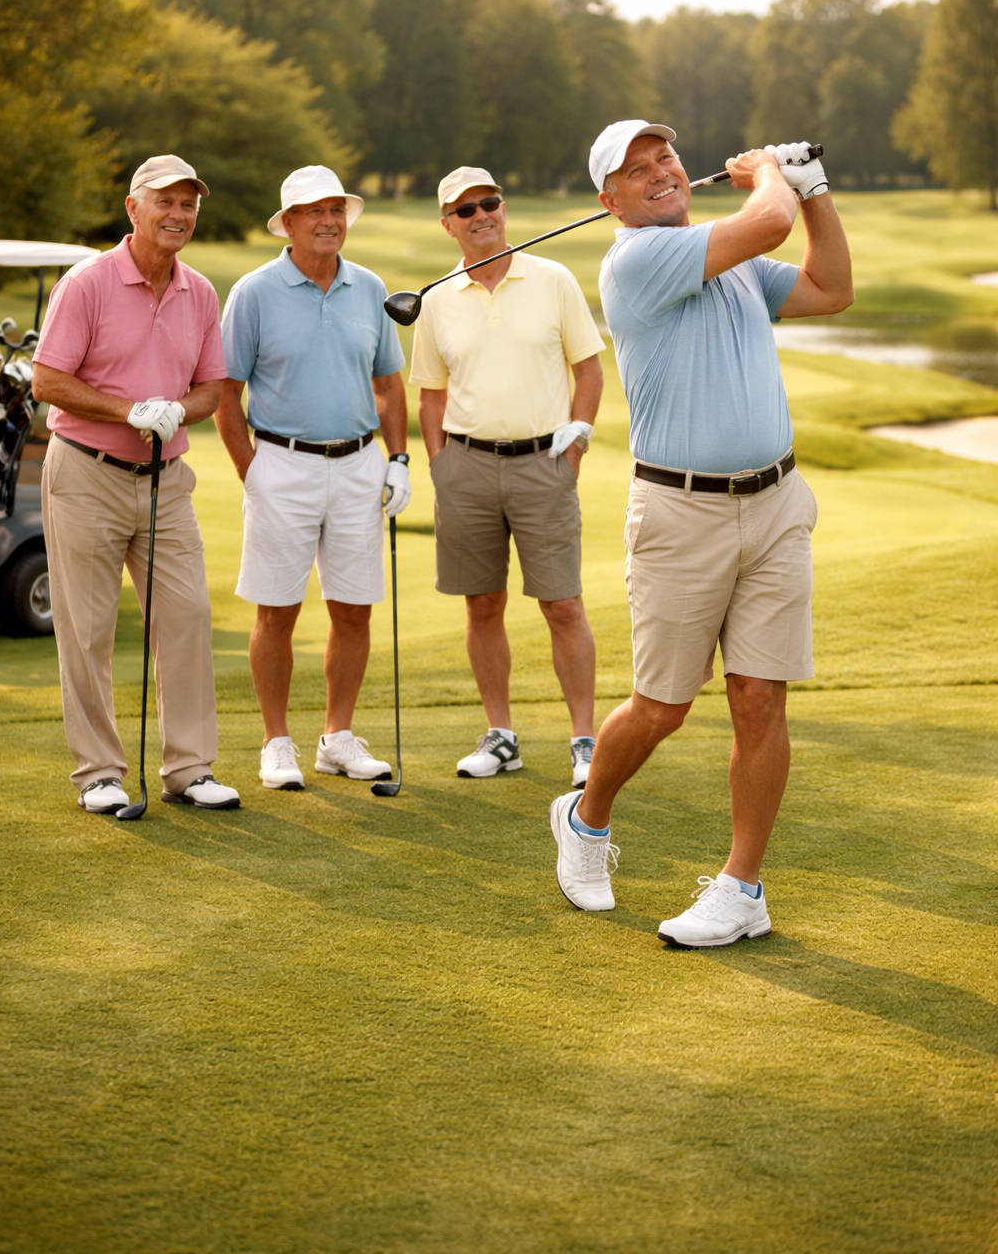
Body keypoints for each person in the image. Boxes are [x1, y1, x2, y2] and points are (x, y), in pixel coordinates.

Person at [549, 123, 853, 942]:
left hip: (777, 502)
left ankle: (742, 889)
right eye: (635, 172)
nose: (658, 174)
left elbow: (831, 290)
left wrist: (814, 189)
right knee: (661, 707)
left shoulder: (735, 263)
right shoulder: (637, 260)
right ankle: (585, 819)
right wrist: (770, 176)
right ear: (609, 202)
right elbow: (766, 221)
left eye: (665, 160)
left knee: (760, 700)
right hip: (682, 513)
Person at [32, 154, 240, 813]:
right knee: (88, 627)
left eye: (188, 205)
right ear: (133, 208)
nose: (178, 215)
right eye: (165, 203)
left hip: (165, 480)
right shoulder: (88, 283)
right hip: (85, 474)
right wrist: (129, 411)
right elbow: (48, 381)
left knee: (186, 616)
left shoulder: (200, 292)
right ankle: (98, 771)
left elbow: (212, 386)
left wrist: (181, 410)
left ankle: (189, 768)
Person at [215, 165, 409, 790]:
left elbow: (388, 383)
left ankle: (338, 738)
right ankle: (276, 743)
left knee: (354, 611)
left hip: (359, 464)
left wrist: (399, 459)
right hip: (282, 462)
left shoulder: (369, 287)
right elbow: (226, 395)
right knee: (277, 612)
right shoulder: (253, 292)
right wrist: (254, 474)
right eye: (313, 212)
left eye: (336, 211)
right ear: (290, 223)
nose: (328, 221)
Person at [410, 166, 605, 782]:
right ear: (448, 225)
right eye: (464, 211)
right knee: (482, 605)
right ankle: (501, 737)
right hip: (465, 466)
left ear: (503, 208)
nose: (480, 216)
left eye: (488, 203)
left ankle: (584, 742)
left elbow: (590, 371)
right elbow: (431, 396)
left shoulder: (552, 279)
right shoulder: (437, 300)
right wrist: (442, 467)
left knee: (564, 605)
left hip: (545, 463)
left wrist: (574, 447)